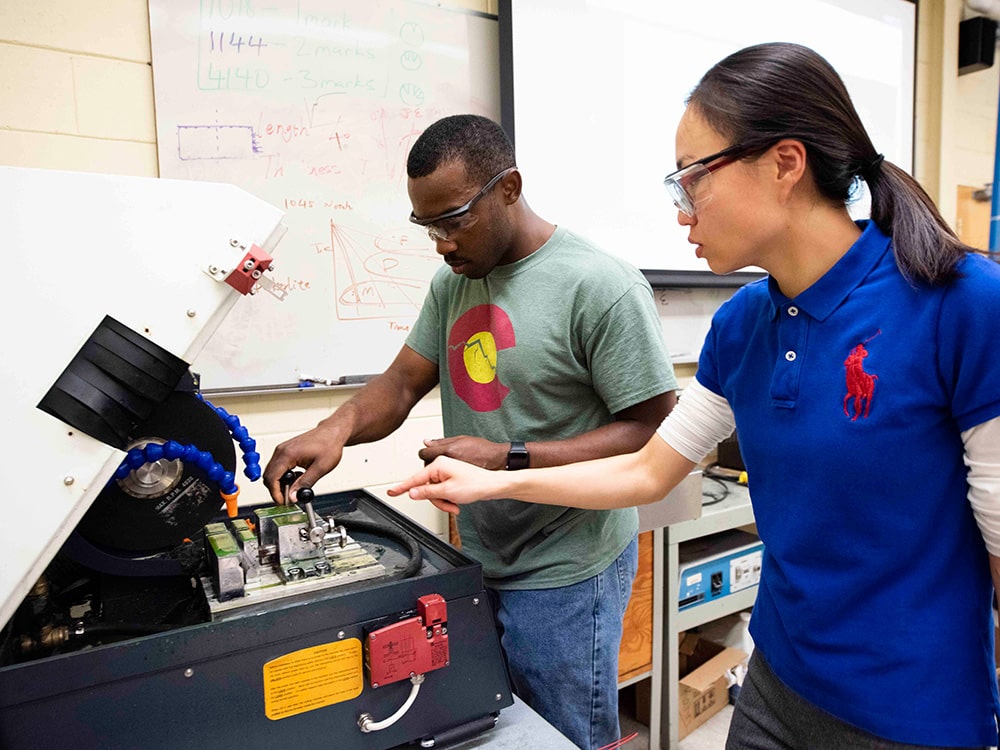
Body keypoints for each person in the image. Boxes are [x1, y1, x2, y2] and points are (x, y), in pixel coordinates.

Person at [388, 44, 1000, 750]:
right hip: (777, 685)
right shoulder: (741, 325)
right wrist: (493, 481)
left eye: (692, 181)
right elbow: (650, 469)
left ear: (785, 163)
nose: (681, 210)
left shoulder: (963, 305)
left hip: (912, 714)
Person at [262, 114, 678, 750]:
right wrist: (336, 426)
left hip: (568, 566)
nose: (441, 243)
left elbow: (651, 431)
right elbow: (402, 384)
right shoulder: (451, 282)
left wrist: (506, 458)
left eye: (453, 220)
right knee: (501, 728)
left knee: (563, 734)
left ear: (508, 188)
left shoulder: (600, 285)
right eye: (427, 226)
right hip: (480, 555)